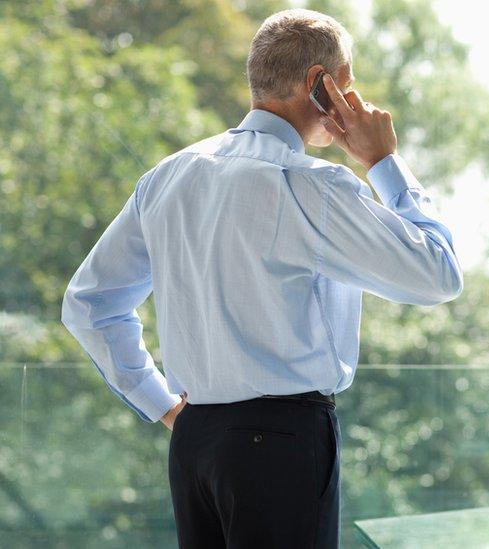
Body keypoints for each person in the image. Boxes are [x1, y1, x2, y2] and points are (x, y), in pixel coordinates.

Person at [60, 8, 463, 548]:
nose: (355, 99)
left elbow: (90, 304)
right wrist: (383, 160)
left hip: (194, 444)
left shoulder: (168, 177)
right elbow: (437, 274)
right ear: (319, 85)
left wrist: (162, 405)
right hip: (282, 444)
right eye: (348, 83)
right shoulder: (309, 185)